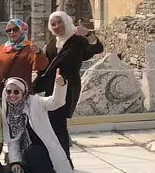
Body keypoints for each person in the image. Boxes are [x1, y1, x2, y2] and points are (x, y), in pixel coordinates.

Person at [34, 11, 104, 157]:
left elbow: (97, 49)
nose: (57, 26)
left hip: (68, 87)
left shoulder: (77, 41)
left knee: (58, 123)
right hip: (51, 87)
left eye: (60, 22)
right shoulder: (53, 43)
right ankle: (57, 159)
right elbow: (47, 66)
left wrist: (88, 34)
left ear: (66, 21)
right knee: (53, 123)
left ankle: (64, 160)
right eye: (53, 24)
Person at [1, 71, 77, 173]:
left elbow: (56, 102)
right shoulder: (8, 111)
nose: (12, 95)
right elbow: (13, 139)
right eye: (9, 91)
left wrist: (60, 86)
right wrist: (15, 161)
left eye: (16, 92)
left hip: (44, 153)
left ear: (23, 92)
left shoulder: (36, 102)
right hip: (25, 154)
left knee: (33, 151)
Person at [0, 19, 49, 105]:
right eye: (9, 30)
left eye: (15, 29)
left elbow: (40, 66)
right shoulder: (3, 47)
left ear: (22, 30)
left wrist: (38, 52)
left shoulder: (29, 48)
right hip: (5, 92)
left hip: (21, 93)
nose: (12, 32)